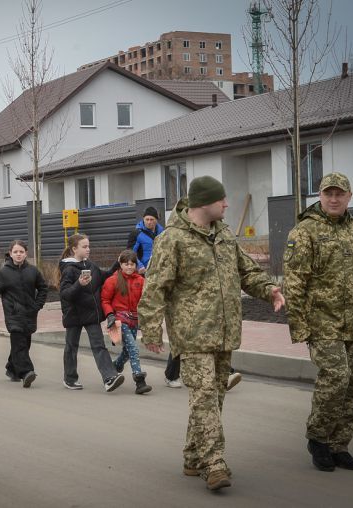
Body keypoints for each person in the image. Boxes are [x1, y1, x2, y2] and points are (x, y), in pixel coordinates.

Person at [138, 175, 284, 491]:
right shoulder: (172, 239)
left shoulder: (225, 235)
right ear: (205, 203)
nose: (227, 204)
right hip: (192, 335)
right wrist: (151, 329)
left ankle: (193, 457)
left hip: (224, 332)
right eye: (222, 200)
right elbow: (154, 289)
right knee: (204, 396)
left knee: (213, 397)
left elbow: (247, 272)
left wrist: (270, 290)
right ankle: (214, 464)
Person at [283, 172, 353, 473]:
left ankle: (340, 444)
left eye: (340, 194)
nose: (334, 198)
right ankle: (318, 439)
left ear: (349, 197)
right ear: (320, 195)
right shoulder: (305, 232)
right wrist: (299, 325)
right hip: (322, 323)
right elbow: (294, 282)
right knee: (336, 377)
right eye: (328, 193)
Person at [0, 240, 47, 388]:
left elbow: (43, 288)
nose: (18, 254)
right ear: (10, 253)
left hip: (30, 314)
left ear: (26, 253)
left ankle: (12, 369)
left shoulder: (33, 271)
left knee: (24, 344)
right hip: (13, 315)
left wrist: (37, 306)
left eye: (21, 252)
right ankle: (27, 372)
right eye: (15, 252)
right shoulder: (4, 273)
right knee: (20, 344)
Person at [60, 233, 123, 392]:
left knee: (99, 346)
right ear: (74, 249)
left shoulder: (91, 266)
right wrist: (79, 284)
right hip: (74, 315)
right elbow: (65, 294)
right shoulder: (68, 269)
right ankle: (70, 378)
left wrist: (118, 263)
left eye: (89, 246)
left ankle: (109, 378)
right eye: (84, 246)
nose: (88, 249)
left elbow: (105, 276)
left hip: (90, 315)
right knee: (71, 347)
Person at [101, 249, 152, 395]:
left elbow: (146, 300)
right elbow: (105, 300)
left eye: (132, 264)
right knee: (134, 348)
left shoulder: (141, 281)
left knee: (128, 351)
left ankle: (114, 366)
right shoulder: (113, 280)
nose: (129, 267)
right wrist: (110, 315)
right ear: (120, 265)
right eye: (126, 264)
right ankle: (140, 382)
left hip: (134, 320)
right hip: (119, 320)